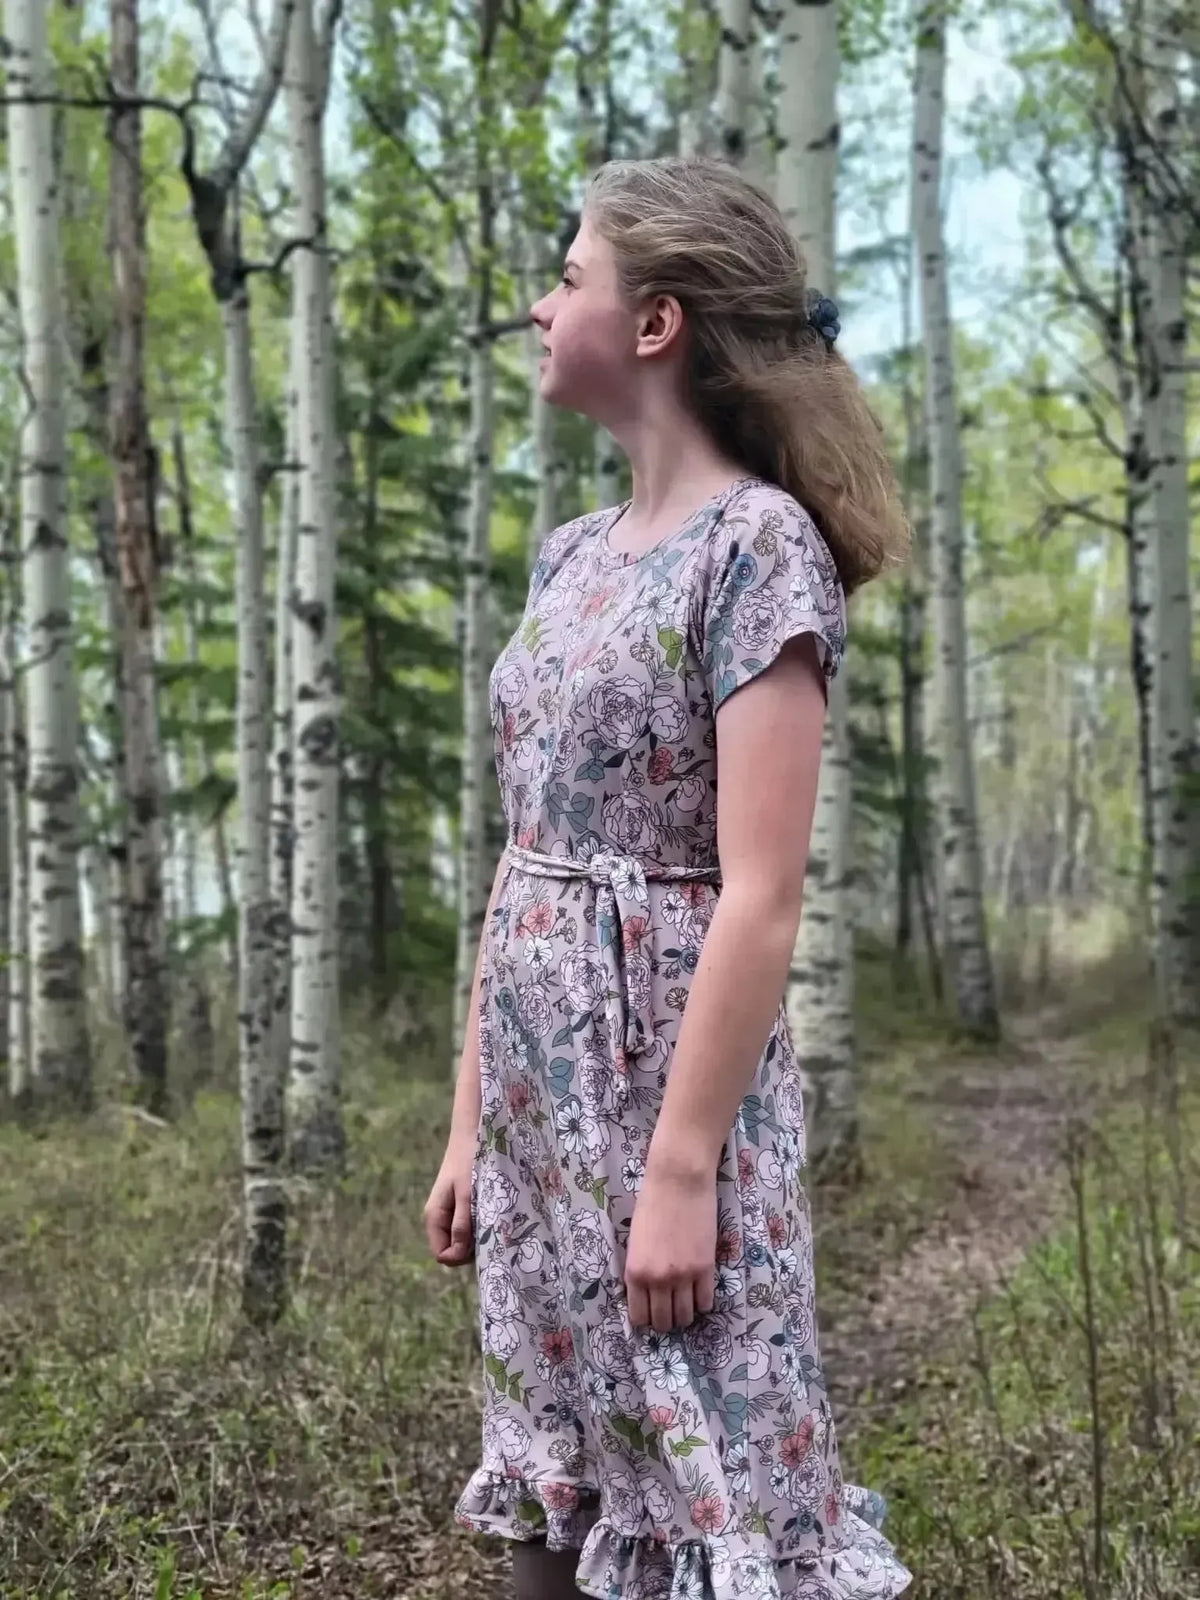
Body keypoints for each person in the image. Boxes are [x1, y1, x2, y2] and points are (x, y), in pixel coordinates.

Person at [424, 156, 912, 1600]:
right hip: (541, 1126)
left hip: (667, 1111)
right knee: (555, 1482)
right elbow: (528, 861)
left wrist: (683, 1170)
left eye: (568, 276)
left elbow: (760, 894)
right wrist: (470, 1133)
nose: (538, 303)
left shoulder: (756, 549)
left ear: (656, 324)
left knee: (704, 1476)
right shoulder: (570, 558)